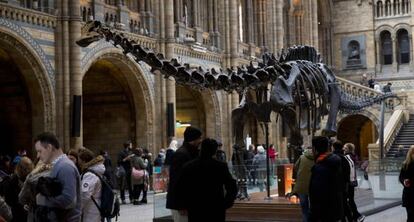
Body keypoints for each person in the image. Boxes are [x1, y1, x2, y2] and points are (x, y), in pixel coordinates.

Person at [177, 138, 237, 222]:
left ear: (201, 148)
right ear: (215, 150)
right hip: (216, 206)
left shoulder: (189, 166)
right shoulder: (220, 166)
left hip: (195, 207)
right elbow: (232, 186)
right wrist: (226, 203)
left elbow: (181, 187)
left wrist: (183, 205)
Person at [33, 132, 81, 221]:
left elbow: (69, 201)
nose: (38, 156)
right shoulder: (59, 165)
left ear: (50, 148)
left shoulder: (65, 166)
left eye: (39, 151)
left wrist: (42, 200)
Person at [166, 126, 202, 222]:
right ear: (193, 139)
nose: (200, 141)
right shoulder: (181, 154)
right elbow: (177, 181)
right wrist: (181, 205)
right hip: (182, 205)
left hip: (188, 202)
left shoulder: (191, 152)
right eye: (199, 138)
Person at [309, 136, 344, 222]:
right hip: (335, 209)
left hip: (324, 213)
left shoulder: (321, 167)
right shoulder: (335, 161)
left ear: (315, 149)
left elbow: (318, 193)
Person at [0, 156, 33, 222]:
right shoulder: (9, 182)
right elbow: (10, 202)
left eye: (29, 169)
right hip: (16, 215)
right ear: (20, 168)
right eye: (25, 169)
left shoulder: (30, 179)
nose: (27, 171)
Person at [78, 148, 106, 222]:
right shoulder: (94, 171)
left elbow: (85, 194)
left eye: (79, 159)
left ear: (83, 160)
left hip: (91, 210)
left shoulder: (89, 174)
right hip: (94, 207)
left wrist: (78, 209)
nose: (78, 162)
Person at [343, 143, 365, 222]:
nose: (343, 149)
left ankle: (357, 215)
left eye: (345, 148)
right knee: (351, 200)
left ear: (348, 149)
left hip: (349, 182)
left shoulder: (347, 157)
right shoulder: (353, 156)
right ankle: (356, 215)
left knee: (349, 200)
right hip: (352, 181)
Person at [292, 146, 314, 222]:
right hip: (313, 184)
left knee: (304, 206)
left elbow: (295, 167)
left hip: (302, 184)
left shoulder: (302, 157)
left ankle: (305, 219)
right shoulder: (317, 158)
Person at [332, 140, 351, 222]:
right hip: (343, 185)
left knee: (338, 205)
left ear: (333, 147)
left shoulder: (333, 158)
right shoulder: (344, 158)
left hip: (335, 186)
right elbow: (347, 171)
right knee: (344, 203)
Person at [399, 145, 414, 222]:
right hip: (408, 194)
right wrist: (404, 181)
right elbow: (401, 177)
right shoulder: (405, 164)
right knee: (410, 215)